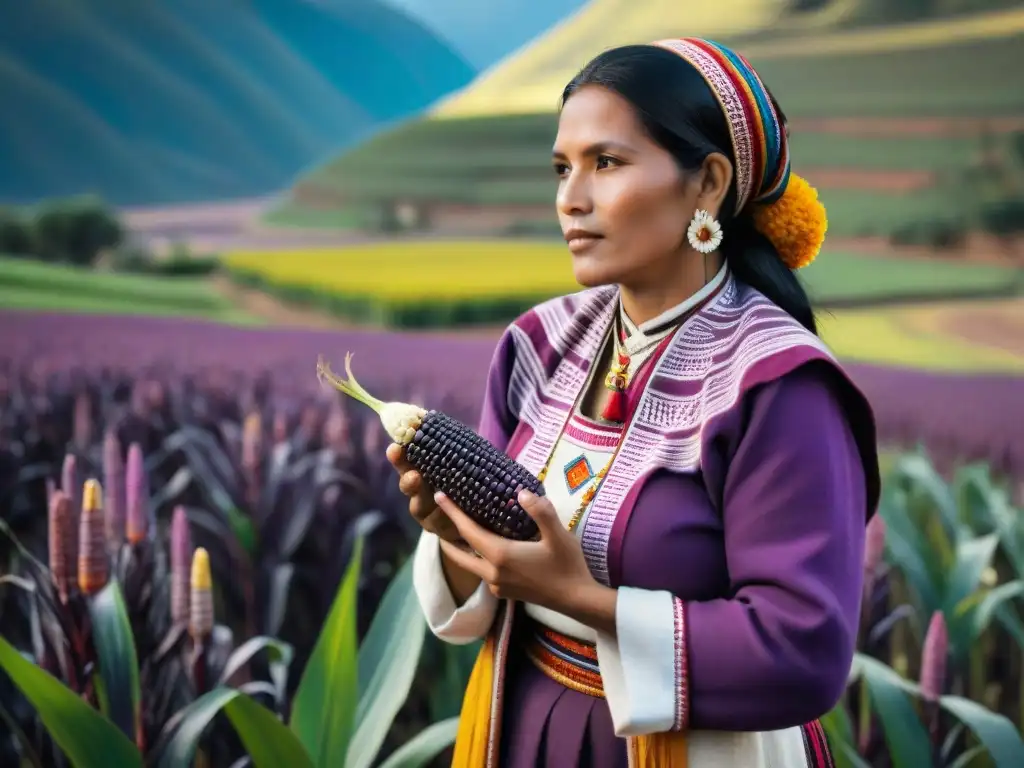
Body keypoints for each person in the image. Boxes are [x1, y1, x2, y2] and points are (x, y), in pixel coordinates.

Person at [388, 37, 880, 768]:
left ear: (708, 182)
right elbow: (494, 585)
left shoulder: (779, 386)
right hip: (518, 724)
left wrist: (583, 597)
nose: (570, 198)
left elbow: (803, 650)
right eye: (562, 168)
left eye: (606, 163)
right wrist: (460, 541)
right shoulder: (536, 347)